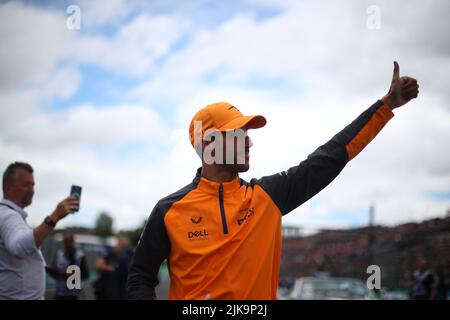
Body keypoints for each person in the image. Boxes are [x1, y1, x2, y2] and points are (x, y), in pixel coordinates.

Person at [127, 62, 419, 300]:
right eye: (238, 134)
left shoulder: (266, 196)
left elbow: (329, 158)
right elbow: (139, 277)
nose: (249, 142)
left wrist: (386, 106)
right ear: (209, 144)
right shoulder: (169, 211)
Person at [0, 162, 79, 300]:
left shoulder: (11, 215)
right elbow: (19, 246)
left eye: (33, 185)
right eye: (26, 185)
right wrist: (55, 216)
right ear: (7, 188)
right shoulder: (8, 216)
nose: (32, 190)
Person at [45, 232, 90, 300]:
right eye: (66, 242)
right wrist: (52, 271)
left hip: (73, 294)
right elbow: (54, 272)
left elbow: (86, 275)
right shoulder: (59, 254)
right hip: (59, 293)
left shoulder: (80, 256)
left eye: (69, 241)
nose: (68, 244)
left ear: (73, 241)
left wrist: (74, 275)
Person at [94, 235, 133, 300]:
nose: (122, 246)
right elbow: (99, 266)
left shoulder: (128, 254)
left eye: (124, 245)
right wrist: (115, 269)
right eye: (121, 243)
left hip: (123, 287)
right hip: (108, 287)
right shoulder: (109, 252)